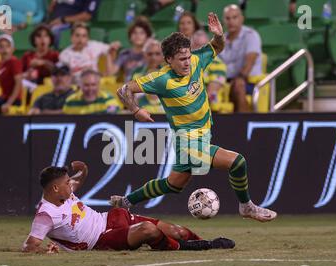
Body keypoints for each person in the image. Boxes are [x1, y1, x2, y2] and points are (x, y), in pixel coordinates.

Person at [112, 13, 277, 223]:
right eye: (181, 59)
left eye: (188, 56)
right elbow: (124, 90)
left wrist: (219, 36)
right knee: (237, 162)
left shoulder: (197, 61)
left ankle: (125, 202)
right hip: (188, 140)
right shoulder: (162, 79)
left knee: (173, 184)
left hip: (203, 134)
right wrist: (136, 110)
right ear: (168, 60)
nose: (187, 62)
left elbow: (217, 47)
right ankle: (246, 206)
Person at [22, 161, 235, 253]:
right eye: (67, 183)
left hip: (112, 218)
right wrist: (45, 252)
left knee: (175, 230)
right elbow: (30, 245)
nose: (71, 185)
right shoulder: (46, 214)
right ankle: (186, 248)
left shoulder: (63, 194)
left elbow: (77, 181)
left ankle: (205, 243)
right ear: (56, 188)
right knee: (148, 231)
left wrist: (84, 170)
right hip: (101, 239)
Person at [219, 5, 262, 113]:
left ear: (241, 19)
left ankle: (243, 125)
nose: (231, 21)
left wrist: (240, 77)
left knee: (239, 85)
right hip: (225, 82)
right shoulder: (220, 40)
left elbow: (250, 62)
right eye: (227, 18)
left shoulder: (251, 36)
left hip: (248, 82)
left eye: (234, 17)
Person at [107, 17, 153, 82]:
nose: (138, 36)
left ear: (147, 36)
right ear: (130, 37)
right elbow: (110, 73)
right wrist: (109, 54)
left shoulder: (152, 53)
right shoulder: (125, 54)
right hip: (129, 88)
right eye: (134, 33)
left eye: (142, 33)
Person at [191, 29, 227, 106]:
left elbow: (212, 91)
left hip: (208, 105)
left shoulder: (217, 64)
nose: (198, 51)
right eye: (195, 47)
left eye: (202, 47)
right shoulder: (184, 63)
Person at [132, 39, 164, 114]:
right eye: (150, 54)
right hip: (141, 116)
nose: (153, 57)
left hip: (165, 117)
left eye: (157, 54)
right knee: (128, 123)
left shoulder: (170, 74)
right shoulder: (136, 76)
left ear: (163, 55)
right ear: (144, 55)